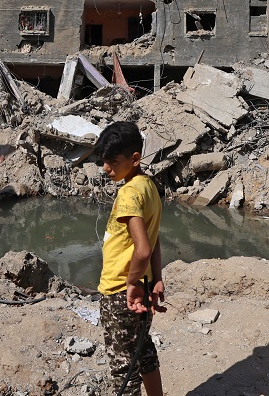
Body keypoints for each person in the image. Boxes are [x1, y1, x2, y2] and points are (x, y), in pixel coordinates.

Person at [93, 121, 165, 396]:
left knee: (123, 368)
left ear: (135, 159)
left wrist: (132, 283)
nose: (106, 168)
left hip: (120, 291)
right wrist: (156, 278)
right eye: (104, 161)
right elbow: (154, 239)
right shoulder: (149, 186)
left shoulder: (128, 193)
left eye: (113, 162)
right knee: (143, 352)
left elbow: (143, 249)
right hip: (142, 285)